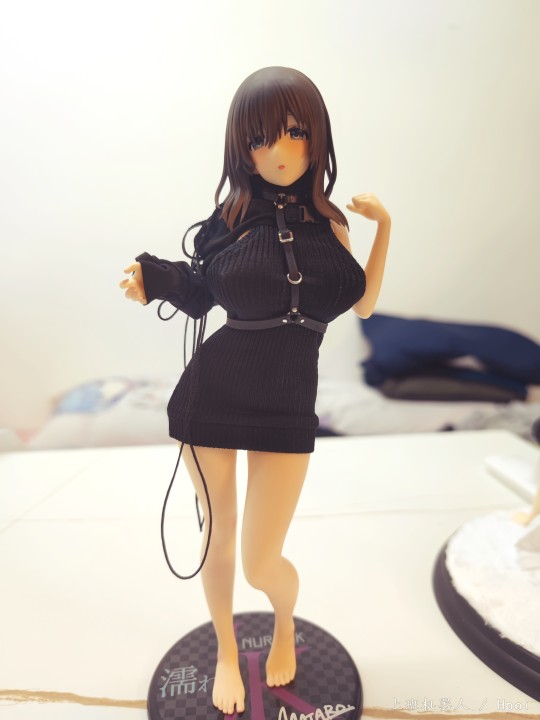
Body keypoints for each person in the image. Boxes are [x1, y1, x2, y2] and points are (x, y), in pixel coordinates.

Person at [120, 66, 390, 715]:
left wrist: (386, 227)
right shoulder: (232, 220)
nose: (279, 151)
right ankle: (223, 650)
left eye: (295, 133)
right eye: (260, 138)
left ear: (317, 137)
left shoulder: (332, 225)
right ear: (241, 149)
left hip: (288, 406)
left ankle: (284, 622)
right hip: (210, 396)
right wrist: (151, 280)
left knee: (262, 563)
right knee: (218, 537)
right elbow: (198, 289)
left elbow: (364, 304)